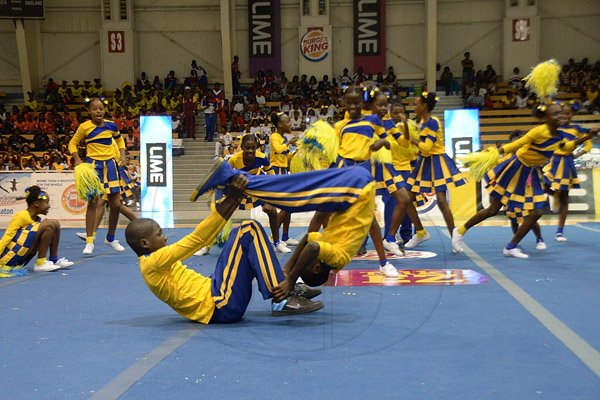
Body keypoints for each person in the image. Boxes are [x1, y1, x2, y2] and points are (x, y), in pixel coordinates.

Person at [125, 175, 323, 323]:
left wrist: (234, 198)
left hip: (218, 294)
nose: (165, 236)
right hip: (220, 304)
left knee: (243, 234)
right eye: (159, 234)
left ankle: (283, 282)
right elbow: (198, 239)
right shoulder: (153, 262)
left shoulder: (153, 262)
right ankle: (282, 298)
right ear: (145, 244)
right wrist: (234, 198)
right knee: (249, 229)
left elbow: (204, 238)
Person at [190, 156, 381, 288]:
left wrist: (288, 269)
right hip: (357, 189)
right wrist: (291, 280)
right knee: (292, 196)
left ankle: (229, 178)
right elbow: (312, 248)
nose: (303, 261)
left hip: (357, 185)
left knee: (292, 197)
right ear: (316, 267)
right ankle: (229, 175)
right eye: (306, 265)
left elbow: (308, 238)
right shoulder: (338, 258)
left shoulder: (332, 252)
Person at [453, 103, 597, 258]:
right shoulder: (539, 131)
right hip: (516, 167)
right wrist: (495, 153)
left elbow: (565, 147)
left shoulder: (560, 134)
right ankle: (460, 231)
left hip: (530, 171)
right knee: (493, 209)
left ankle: (511, 246)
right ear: (547, 117)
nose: (560, 116)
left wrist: (588, 136)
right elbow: (516, 144)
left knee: (536, 212)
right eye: (555, 114)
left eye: (561, 113)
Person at [195, 134, 285, 257]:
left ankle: (277, 243)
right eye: (247, 148)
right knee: (219, 216)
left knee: (272, 211)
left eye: (253, 148)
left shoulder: (262, 158)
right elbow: (223, 177)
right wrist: (220, 197)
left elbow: (272, 177)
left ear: (257, 147)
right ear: (241, 147)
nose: (250, 151)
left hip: (256, 188)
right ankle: (207, 246)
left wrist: (270, 197)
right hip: (237, 190)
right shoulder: (233, 160)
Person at [405, 92, 466, 249]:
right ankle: (420, 232)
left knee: (441, 201)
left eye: (416, 104)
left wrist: (411, 138)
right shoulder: (422, 123)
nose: (414, 107)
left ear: (424, 106)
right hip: (425, 162)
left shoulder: (432, 122)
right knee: (405, 199)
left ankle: (454, 237)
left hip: (437, 161)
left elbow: (426, 147)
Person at [68, 98, 126, 255]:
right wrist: (77, 159)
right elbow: (72, 144)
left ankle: (110, 238)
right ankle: (89, 241)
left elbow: (120, 139)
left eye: (101, 108)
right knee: (92, 204)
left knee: (116, 205)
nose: (98, 111)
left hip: (111, 166)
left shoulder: (111, 125)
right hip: (93, 167)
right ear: (89, 111)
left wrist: (122, 154)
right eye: (94, 109)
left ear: (104, 110)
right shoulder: (84, 127)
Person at [544, 102, 594, 242]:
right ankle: (555, 195)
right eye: (562, 113)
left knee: (565, 197)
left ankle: (559, 231)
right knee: (543, 183)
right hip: (553, 161)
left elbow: (588, 144)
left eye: (568, 113)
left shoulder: (577, 129)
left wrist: (576, 155)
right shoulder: (554, 127)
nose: (565, 116)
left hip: (566, 163)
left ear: (573, 114)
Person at [0, 186, 74, 276]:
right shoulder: (21, 216)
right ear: (36, 203)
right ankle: (40, 263)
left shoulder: (36, 218)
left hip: (23, 256)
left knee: (54, 224)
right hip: (9, 257)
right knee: (48, 224)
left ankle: (54, 259)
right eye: (46, 203)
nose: (49, 206)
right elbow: (7, 236)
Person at [269, 113, 298, 252]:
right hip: (275, 172)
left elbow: (286, 156)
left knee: (289, 205)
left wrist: (297, 152)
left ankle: (285, 237)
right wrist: (289, 143)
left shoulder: (283, 138)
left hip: (283, 171)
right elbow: (279, 149)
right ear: (280, 125)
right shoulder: (275, 136)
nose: (290, 124)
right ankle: (273, 238)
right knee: (286, 205)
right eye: (287, 122)